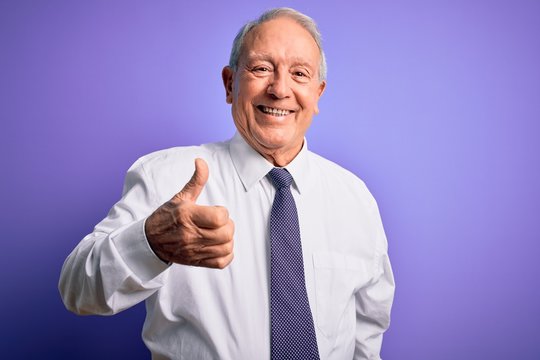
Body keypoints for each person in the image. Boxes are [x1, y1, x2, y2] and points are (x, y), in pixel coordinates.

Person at [59, 7, 395, 360]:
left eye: (299, 74)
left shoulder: (355, 199)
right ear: (230, 84)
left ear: (318, 94)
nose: (280, 89)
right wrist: (150, 244)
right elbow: (77, 289)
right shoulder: (169, 178)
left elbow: (367, 328)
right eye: (261, 68)